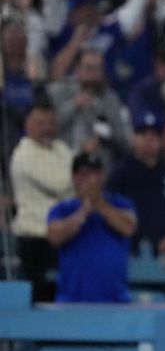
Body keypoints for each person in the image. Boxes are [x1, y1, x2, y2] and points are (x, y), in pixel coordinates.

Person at [46, 153, 138, 303]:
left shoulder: (121, 204)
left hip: (116, 301)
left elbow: (128, 228)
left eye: (95, 174)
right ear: (74, 177)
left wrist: (98, 203)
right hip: (71, 301)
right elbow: (54, 237)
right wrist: (84, 211)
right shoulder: (62, 209)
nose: (91, 180)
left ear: (103, 176)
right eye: (84, 174)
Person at [10, 103, 74, 302]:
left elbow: (79, 182)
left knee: (63, 298)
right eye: (40, 123)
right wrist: (78, 179)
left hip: (63, 237)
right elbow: (60, 183)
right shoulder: (24, 153)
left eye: (51, 123)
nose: (47, 128)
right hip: (35, 240)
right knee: (40, 300)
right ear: (27, 125)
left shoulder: (61, 148)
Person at [106, 111, 165, 256]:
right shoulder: (120, 174)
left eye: (154, 136)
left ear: (161, 140)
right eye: (143, 134)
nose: (148, 140)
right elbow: (111, 213)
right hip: (129, 251)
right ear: (134, 138)